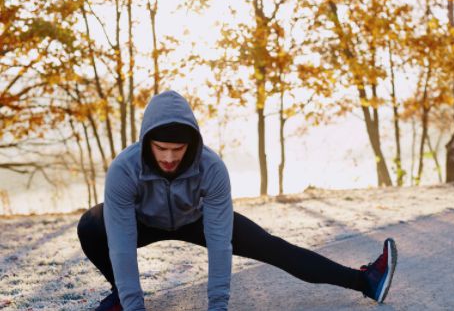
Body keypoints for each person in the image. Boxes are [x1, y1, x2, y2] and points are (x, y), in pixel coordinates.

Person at [77, 90, 398, 311]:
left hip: (196, 219)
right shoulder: (124, 169)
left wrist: (218, 306)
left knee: (274, 247)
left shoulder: (211, 167)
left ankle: (366, 281)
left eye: (179, 149)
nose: (170, 158)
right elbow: (120, 245)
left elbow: (220, 247)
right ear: (147, 142)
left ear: (192, 143)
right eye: (162, 148)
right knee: (91, 225)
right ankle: (121, 298)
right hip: (142, 220)